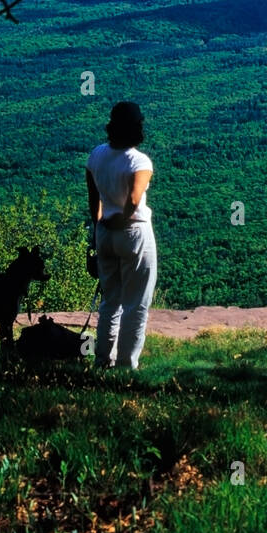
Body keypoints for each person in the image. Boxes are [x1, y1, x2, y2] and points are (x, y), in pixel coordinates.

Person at [85, 101, 156, 369]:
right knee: (136, 303)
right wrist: (121, 219)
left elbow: (94, 200)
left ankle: (103, 360)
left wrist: (100, 226)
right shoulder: (139, 161)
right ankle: (127, 366)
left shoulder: (97, 155)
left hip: (104, 235)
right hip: (133, 233)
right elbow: (135, 199)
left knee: (110, 301)